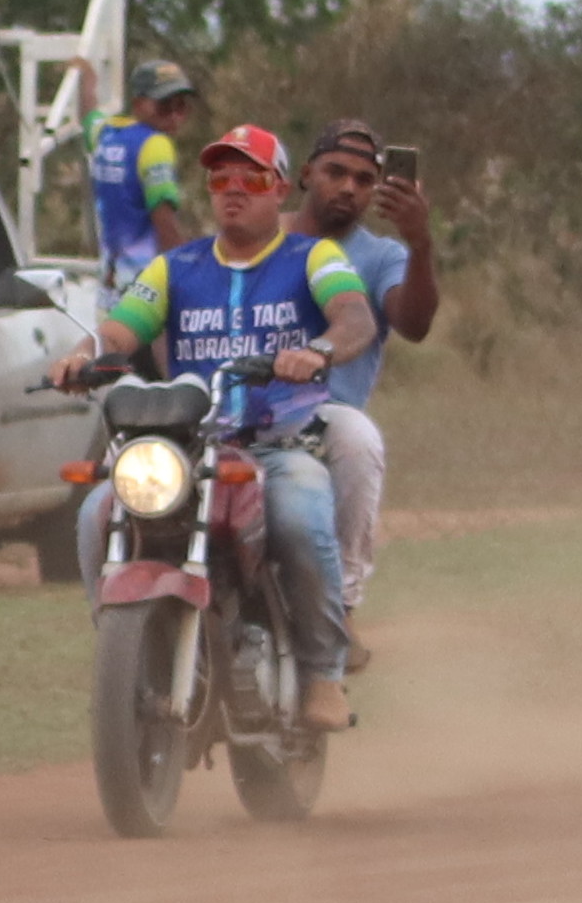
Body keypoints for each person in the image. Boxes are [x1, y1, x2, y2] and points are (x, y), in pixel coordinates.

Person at [45, 123, 373, 732]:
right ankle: (127, 654)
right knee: (97, 513)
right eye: (221, 177)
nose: (233, 189)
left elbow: (354, 316)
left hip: (278, 445)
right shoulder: (175, 267)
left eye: (251, 178)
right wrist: (81, 356)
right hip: (190, 451)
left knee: (301, 515)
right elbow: (118, 330)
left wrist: (320, 351)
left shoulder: (313, 258)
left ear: (281, 189)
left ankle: (323, 674)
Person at [293, 123, 441, 648]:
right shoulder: (265, 238)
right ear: (306, 174)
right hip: (245, 410)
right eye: (335, 172)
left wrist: (419, 243)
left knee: (358, 441)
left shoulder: (381, 257)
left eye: (364, 179)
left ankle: (343, 603)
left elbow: (414, 324)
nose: (348, 188)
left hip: (325, 419)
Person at [86, 57, 200, 287]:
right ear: (138, 104)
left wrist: (85, 74)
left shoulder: (105, 134)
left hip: (109, 288)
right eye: (164, 106)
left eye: (181, 106)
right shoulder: (155, 145)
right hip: (144, 289)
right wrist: (188, 280)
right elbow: (165, 225)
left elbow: (88, 116)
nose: (175, 117)